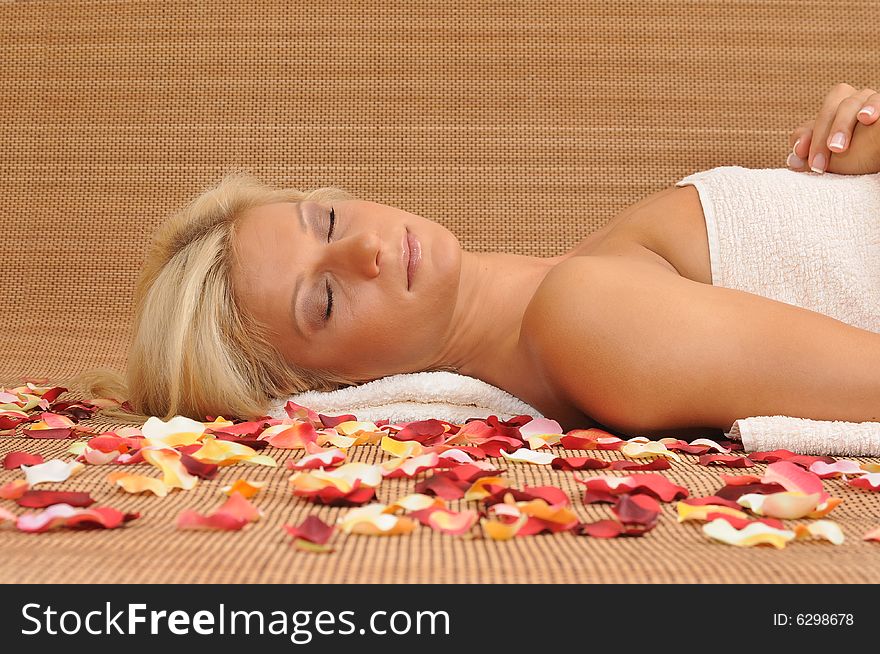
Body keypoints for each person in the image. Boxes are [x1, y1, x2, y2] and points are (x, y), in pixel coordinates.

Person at [76, 83, 880, 439]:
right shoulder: (588, 317)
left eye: (325, 218)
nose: (363, 247)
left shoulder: (583, 275)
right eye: (321, 301)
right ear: (329, 393)